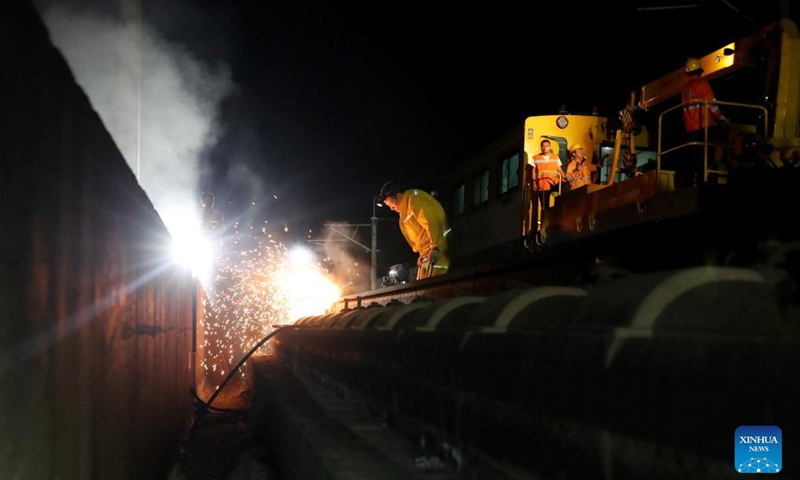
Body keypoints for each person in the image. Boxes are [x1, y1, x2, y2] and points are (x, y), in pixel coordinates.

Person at [379, 182, 450, 280]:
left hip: (437, 252)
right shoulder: (406, 208)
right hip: (428, 254)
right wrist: (423, 254)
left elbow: (431, 222)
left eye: (392, 205)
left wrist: (435, 247)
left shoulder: (415, 200)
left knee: (434, 287)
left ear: (399, 196)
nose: (391, 209)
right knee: (425, 288)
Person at [680, 57, 730, 187]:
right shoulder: (702, 84)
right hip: (704, 126)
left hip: (691, 129)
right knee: (708, 156)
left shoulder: (685, 89)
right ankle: (708, 181)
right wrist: (721, 118)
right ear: (700, 70)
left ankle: (694, 182)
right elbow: (711, 104)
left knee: (696, 158)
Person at [529, 139, 565, 211]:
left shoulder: (555, 157)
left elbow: (559, 169)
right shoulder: (536, 157)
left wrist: (564, 177)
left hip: (554, 182)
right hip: (543, 184)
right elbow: (533, 171)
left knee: (559, 198)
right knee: (545, 205)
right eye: (543, 146)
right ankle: (545, 219)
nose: (545, 148)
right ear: (541, 147)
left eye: (546, 146)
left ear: (549, 147)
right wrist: (534, 183)